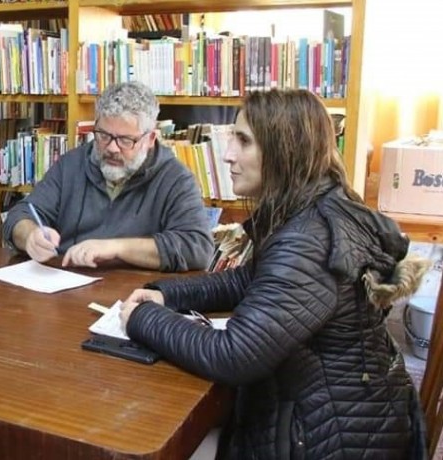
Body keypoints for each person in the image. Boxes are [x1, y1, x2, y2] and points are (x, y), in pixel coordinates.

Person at [120, 89, 427, 458]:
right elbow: (246, 280)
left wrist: (141, 318)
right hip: (344, 416)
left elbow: (234, 355)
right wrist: (168, 294)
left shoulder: (308, 241)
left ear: (284, 150)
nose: (227, 154)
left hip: (327, 439)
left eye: (244, 141)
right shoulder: (316, 206)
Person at [2, 81, 213, 271]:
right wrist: (30, 235)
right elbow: (20, 215)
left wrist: (117, 248)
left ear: (150, 139)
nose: (112, 148)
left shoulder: (176, 179)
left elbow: (197, 247)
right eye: (103, 135)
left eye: (125, 140)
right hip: (67, 284)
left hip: (134, 293)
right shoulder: (72, 164)